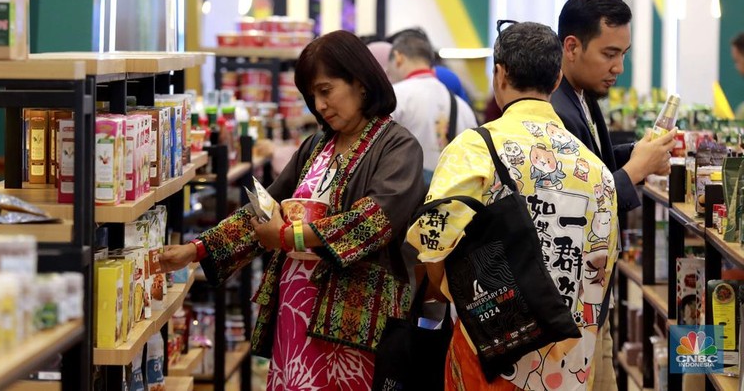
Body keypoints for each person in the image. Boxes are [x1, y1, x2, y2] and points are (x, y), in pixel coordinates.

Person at [160, 30, 426, 390]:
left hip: (356, 321)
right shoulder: (317, 145)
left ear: (361, 83)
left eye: (326, 90)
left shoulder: (398, 146)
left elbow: (374, 221)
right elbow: (263, 207)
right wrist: (196, 250)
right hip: (296, 308)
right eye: (312, 95)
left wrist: (287, 236)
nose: (319, 105)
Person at [407, 21, 619, 391]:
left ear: (499, 74)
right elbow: (600, 271)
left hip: (489, 353)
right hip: (567, 365)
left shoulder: (474, 148)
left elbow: (430, 239)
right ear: (556, 80)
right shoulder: (597, 171)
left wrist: (449, 291)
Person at [550, 0, 677, 390]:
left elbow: (594, 163)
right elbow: (583, 206)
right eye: (609, 54)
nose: (619, 67)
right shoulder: (556, 109)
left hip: (593, 297)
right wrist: (636, 168)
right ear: (571, 46)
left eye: (623, 53)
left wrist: (637, 152)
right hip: (572, 301)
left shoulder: (581, 96)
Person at [386, 32, 477, 181]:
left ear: (398, 57)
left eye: (388, 71)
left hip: (404, 195)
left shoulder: (395, 97)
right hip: (449, 197)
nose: (389, 77)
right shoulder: (462, 107)